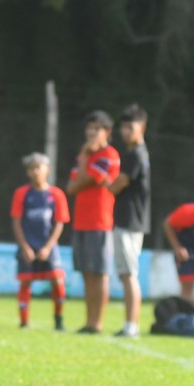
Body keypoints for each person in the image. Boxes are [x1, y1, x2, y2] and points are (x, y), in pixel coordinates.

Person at [65, 110, 120, 334]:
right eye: (89, 128)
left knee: (99, 272)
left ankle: (98, 322)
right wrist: (85, 159)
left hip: (100, 221)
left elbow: (81, 181)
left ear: (107, 132)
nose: (91, 132)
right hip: (81, 221)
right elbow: (71, 187)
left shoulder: (108, 155)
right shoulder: (84, 155)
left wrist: (85, 159)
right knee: (87, 273)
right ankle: (89, 322)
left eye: (97, 128)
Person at [10, 153, 70, 330]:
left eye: (38, 167)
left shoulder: (57, 194)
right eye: (31, 169)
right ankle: (24, 321)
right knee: (26, 282)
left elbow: (60, 223)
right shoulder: (21, 194)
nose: (35, 172)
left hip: (49, 247)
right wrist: (25, 247)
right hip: (28, 245)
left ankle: (59, 319)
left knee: (57, 282)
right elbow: (17, 221)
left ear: (47, 170)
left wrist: (48, 247)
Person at [109, 104, 150, 338]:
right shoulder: (140, 153)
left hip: (129, 220)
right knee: (127, 273)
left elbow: (118, 184)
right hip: (133, 220)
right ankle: (130, 324)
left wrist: (107, 182)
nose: (125, 132)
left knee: (128, 274)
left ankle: (131, 325)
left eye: (130, 127)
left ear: (141, 128)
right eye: (123, 127)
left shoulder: (135, 154)